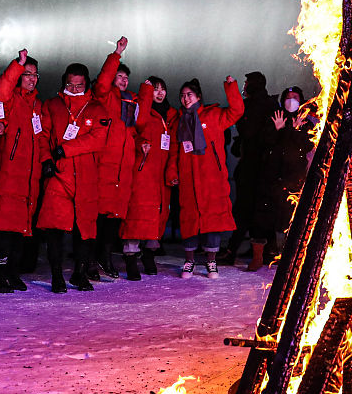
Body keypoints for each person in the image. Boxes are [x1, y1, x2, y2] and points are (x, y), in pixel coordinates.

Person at [36, 62, 108, 292]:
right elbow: (42, 134)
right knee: (54, 228)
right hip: (59, 175)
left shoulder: (96, 108)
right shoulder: (52, 105)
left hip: (86, 177)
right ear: (64, 83)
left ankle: (79, 273)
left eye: (79, 85)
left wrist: (65, 149)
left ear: (86, 84)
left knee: (84, 229)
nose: (74, 89)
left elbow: (98, 139)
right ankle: (57, 275)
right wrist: (47, 159)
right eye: (70, 85)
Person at [166, 76, 244, 278]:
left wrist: (231, 86)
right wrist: (173, 171)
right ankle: (189, 260)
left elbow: (237, 111)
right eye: (182, 96)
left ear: (198, 96)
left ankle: (211, 261)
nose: (185, 99)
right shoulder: (178, 122)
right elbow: (174, 150)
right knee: (189, 219)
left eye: (189, 95)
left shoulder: (213, 115)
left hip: (212, 178)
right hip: (189, 178)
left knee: (212, 219)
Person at [0, 50, 46, 293]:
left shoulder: (37, 105)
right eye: (27, 74)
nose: (31, 79)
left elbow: (41, 137)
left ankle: (12, 271)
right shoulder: (9, 98)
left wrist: (44, 160)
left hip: (30, 176)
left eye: (35, 75)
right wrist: (17, 64)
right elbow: (0, 92)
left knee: (22, 228)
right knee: (3, 226)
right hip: (9, 173)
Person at [249, 86, 314, 271]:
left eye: (295, 97)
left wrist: (294, 131)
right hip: (270, 175)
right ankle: (258, 256)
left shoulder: (305, 121)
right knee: (263, 214)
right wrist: (278, 130)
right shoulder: (275, 117)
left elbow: (307, 146)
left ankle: (286, 255)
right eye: (288, 97)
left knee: (288, 216)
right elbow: (265, 141)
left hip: (293, 177)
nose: (291, 100)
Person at [120, 77, 178, 279]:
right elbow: (133, 131)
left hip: (161, 175)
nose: (160, 93)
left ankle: (149, 254)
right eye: (155, 89)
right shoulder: (140, 109)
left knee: (158, 217)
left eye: (162, 89)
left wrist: (172, 172)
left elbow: (174, 147)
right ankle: (130, 256)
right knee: (137, 215)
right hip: (143, 171)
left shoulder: (172, 116)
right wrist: (140, 146)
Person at [92, 36, 135, 280]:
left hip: (122, 170)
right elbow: (102, 82)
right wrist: (116, 54)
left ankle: (105, 257)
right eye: (119, 76)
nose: (123, 80)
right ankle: (90, 259)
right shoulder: (104, 96)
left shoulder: (130, 103)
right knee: (98, 216)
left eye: (126, 77)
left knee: (114, 218)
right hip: (104, 167)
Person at [223, 71, 278, 264]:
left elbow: (248, 131)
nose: (244, 86)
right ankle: (266, 250)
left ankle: (234, 250)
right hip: (265, 165)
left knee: (245, 209)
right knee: (261, 208)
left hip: (253, 166)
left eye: (246, 83)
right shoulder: (271, 104)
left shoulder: (254, 105)